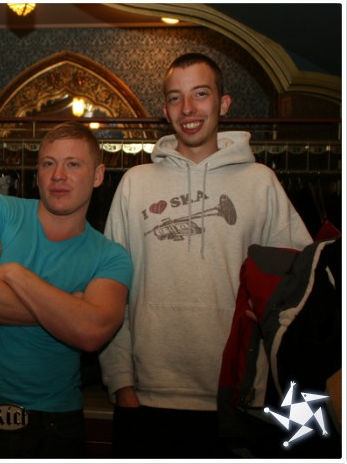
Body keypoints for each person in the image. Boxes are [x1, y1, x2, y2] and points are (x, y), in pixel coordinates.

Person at [98, 53, 313, 458]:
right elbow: (110, 289)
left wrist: (270, 316)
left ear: (223, 103)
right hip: (146, 396)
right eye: (175, 98)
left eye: (200, 94)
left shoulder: (262, 183)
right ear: (165, 111)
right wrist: (120, 380)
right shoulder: (134, 184)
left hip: (238, 398)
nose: (188, 109)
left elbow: (302, 283)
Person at [0, 121, 133, 459]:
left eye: (73, 164)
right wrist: (71, 310)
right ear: (37, 172)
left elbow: (92, 333)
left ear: (98, 175)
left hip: (55, 425)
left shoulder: (112, 256)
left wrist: (15, 274)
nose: (58, 175)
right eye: (48, 163)